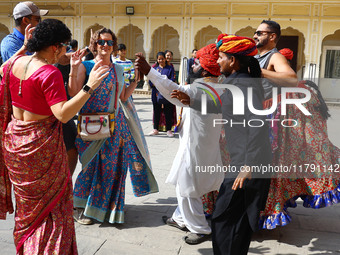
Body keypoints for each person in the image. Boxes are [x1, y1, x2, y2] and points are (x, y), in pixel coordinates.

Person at [0, 18, 110, 254]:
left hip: (15, 143)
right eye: (64, 47)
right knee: (52, 210)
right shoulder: (48, 72)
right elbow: (62, 114)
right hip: (41, 146)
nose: (65, 52)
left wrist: (23, 48)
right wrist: (89, 86)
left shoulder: (14, 63)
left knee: (28, 210)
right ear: (54, 47)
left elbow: (2, 68)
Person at [172, 34, 272, 254]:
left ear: (233, 61)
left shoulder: (245, 85)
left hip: (249, 163)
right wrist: (193, 101)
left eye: (222, 57)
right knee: (233, 219)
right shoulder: (237, 82)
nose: (217, 62)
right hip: (246, 160)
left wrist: (248, 166)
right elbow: (222, 105)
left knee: (225, 218)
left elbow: (258, 126)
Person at [135, 43, 226, 244]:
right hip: (202, 146)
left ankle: (200, 229)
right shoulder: (218, 87)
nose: (192, 66)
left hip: (195, 147)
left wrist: (150, 71)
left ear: (203, 69)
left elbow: (171, 88)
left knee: (187, 186)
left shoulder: (199, 88)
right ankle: (179, 218)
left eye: (196, 63)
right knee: (184, 182)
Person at [254, 20, 340, 230]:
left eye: (259, 32)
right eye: (254, 32)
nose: (255, 36)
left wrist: (258, 70)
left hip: (265, 118)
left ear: (272, 36)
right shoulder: (256, 56)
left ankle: (263, 212)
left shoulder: (274, 56)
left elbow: (291, 78)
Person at [69, 28, 158, 225]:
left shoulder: (118, 69)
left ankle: (107, 207)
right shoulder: (86, 66)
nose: (106, 46)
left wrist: (136, 78)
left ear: (114, 45)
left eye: (110, 43)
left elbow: (123, 97)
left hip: (115, 127)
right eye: (101, 42)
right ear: (95, 44)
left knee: (113, 170)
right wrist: (74, 69)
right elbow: (74, 92)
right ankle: (78, 207)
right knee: (89, 167)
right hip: (90, 126)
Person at [148, 51, 177, 137]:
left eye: (162, 59)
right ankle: (155, 129)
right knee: (156, 111)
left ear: (165, 59)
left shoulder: (170, 68)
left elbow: (172, 80)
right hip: (155, 93)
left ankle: (169, 130)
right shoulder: (154, 69)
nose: (161, 60)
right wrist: (157, 84)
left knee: (168, 111)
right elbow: (150, 81)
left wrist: (163, 84)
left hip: (167, 93)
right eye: (159, 59)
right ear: (157, 60)